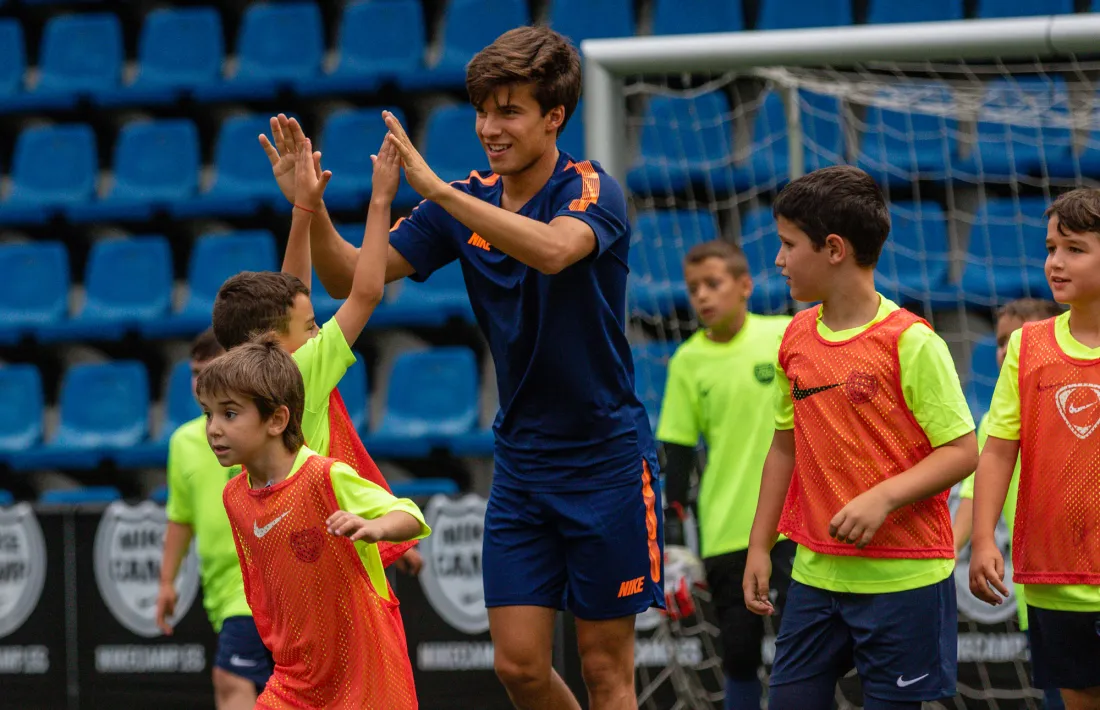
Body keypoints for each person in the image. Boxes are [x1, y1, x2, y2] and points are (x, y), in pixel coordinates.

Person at [260, 25, 662, 710]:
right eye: (482, 110)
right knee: (518, 667)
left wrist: (440, 195)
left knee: (606, 673)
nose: (488, 127)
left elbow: (556, 250)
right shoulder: (463, 200)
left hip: (606, 463)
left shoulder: (593, 191)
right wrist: (312, 204)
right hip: (523, 466)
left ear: (554, 117)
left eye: (509, 111)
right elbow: (349, 277)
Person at [742, 165, 978, 709]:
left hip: (905, 578)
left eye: (786, 244)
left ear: (833, 249)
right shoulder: (795, 336)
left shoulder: (912, 342)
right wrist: (761, 543)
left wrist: (884, 496)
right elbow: (785, 446)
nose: (778, 260)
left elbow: (963, 450)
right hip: (815, 574)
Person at [214, 139, 419, 571]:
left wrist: (303, 211)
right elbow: (366, 292)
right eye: (311, 328)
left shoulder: (236, 379)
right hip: (333, 547)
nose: (317, 330)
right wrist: (381, 199)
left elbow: (290, 297)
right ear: (276, 339)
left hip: (287, 555)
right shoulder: (300, 370)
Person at [198, 334, 429, 709]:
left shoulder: (325, 476)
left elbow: (410, 514)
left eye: (229, 413)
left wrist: (375, 528)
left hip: (365, 675)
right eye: (208, 414)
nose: (213, 428)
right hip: (295, 678)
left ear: (276, 419)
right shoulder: (235, 496)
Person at [970, 189, 1100, 710]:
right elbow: (998, 450)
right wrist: (982, 539)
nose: (1055, 262)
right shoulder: (1028, 346)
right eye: (1050, 249)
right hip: (1053, 580)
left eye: (1074, 249)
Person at [656, 240, 794, 710]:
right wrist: (672, 535)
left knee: (810, 647)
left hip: (797, 521)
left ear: (745, 285)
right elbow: (674, 451)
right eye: (694, 287)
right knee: (738, 654)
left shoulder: (784, 336)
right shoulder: (687, 361)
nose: (702, 296)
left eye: (713, 284)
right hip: (727, 528)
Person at [952, 298, 1065, 710]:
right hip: (1039, 594)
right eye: (1002, 342)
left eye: (1020, 340)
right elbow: (971, 494)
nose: (1007, 351)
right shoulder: (993, 423)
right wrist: (945, 557)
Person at [156, 329, 272, 709]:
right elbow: (181, 517)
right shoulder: (183, 442)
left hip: (263, 586)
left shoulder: (263, 430)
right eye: (194, 371)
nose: (201, 381)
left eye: (212, 369)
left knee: (231, 678)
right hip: (220, 594)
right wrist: (166, 582)